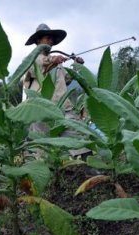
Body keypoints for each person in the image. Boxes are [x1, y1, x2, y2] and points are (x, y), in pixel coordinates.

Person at [22, 23, 91, 158]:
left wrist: (77, 66)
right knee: (41, 149)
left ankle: (89, 171)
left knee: (80, 138)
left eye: (52, 39)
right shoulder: (31, 60)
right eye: (47, 38)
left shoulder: (58, 66)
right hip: (41, 111)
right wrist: (52, 60)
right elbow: (37, 66)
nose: (51, 41)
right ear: (38, 40)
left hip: (63, 108)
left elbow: (68, 78)